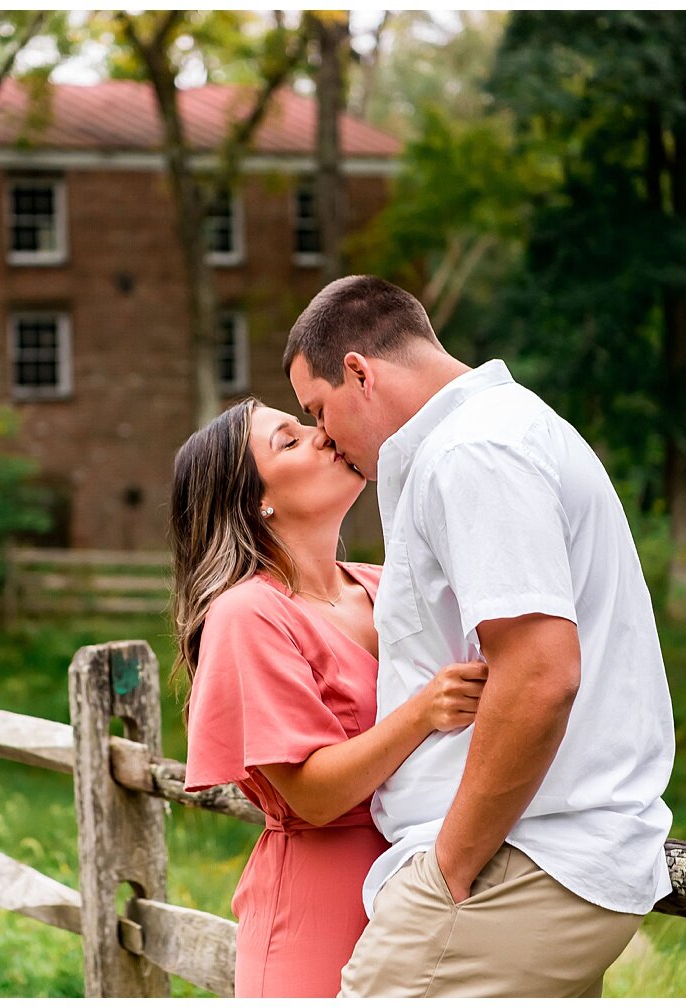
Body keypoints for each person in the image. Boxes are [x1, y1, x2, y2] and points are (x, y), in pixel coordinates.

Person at [285, 275, 675, 998]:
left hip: (514, 863)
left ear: (358, 373)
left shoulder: (474, 453)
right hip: (520, 862)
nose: (322, 438)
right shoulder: (494, 435)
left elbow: (540, 675)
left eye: (318, 410)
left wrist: (449, 867)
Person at [169, 395, 489, 998]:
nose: (320, 435)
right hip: (321, 912)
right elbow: (311, 795)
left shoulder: (381, 584)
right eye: (286, 441)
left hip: (428, 888)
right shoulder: (248, 613)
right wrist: (424, 711)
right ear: (255, 500)